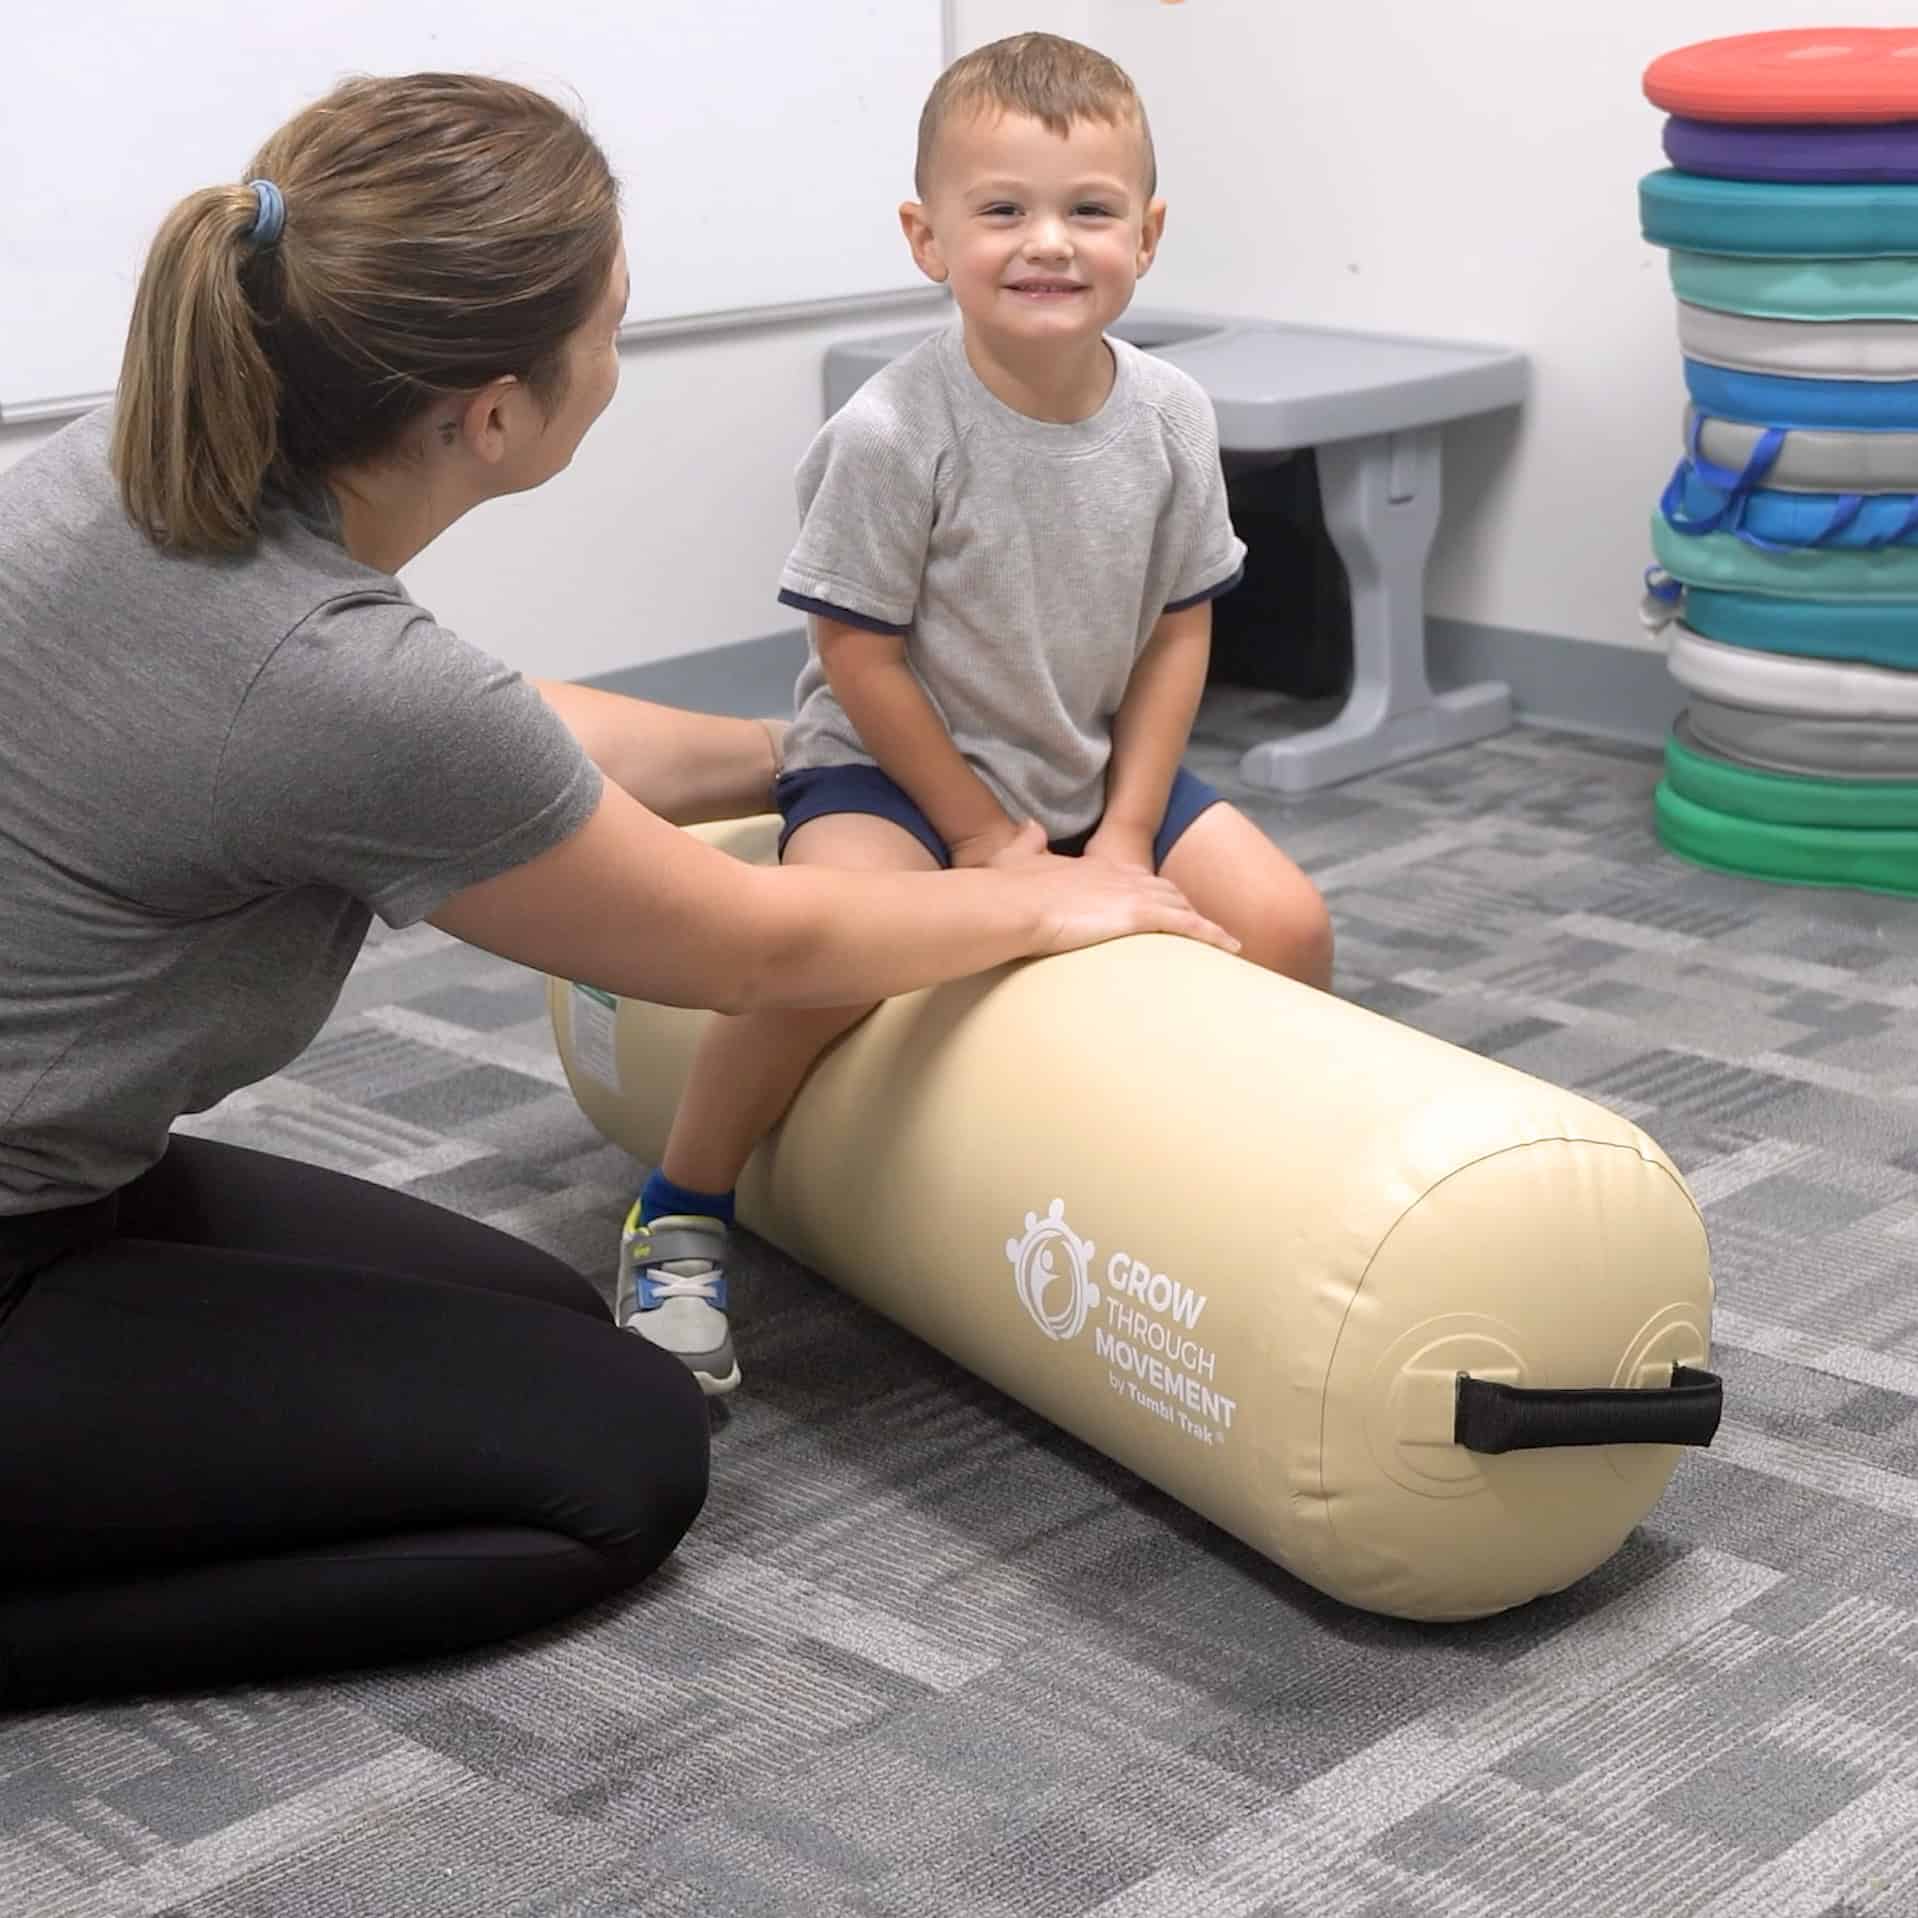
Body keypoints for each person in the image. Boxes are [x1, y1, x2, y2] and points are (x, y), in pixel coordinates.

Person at [0, 72, 1241, 1709]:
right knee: (617, 1460)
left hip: (59, 1171)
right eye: (610, 326)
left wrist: (809, 759)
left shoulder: (149, 459)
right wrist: (1064, 894)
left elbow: (507, 742)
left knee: (530, 1306)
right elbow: (746, 943)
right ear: (495, 412)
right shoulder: (327, 675)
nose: (619, 361)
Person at [619, 33, 1334, 1396]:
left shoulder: (1175, 413)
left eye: (1089, 210)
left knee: (1288, 922)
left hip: (1084, 753)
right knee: (823, 955)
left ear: (1148, 233)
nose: (1046, 244)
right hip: (895, 770)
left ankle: (1217, 1192)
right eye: (1001, 210)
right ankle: (684, 1206)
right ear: (925, 237)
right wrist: (982, 836)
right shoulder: (894, 432)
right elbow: (858, 652)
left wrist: (1124, 830)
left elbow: (1184, 626)